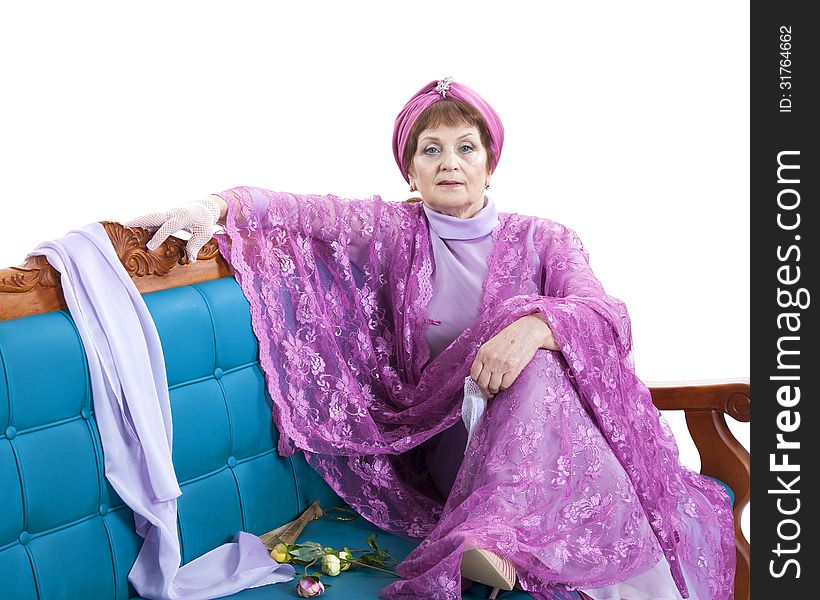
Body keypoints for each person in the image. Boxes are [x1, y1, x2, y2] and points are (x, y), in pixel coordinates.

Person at [126, 78, 735, 600]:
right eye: (431, 149)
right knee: (535, 364)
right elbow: (304, 211)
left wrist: (532, 329)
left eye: (465, 148)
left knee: (542, 359)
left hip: (553, 438)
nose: (450, 162)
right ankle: (495, 535)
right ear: (410, 169)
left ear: (489, 163)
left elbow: (605, 319)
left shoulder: (546, 238)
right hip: (452, 436)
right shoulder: (394, 231)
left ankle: (500, 538)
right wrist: (218, 204)